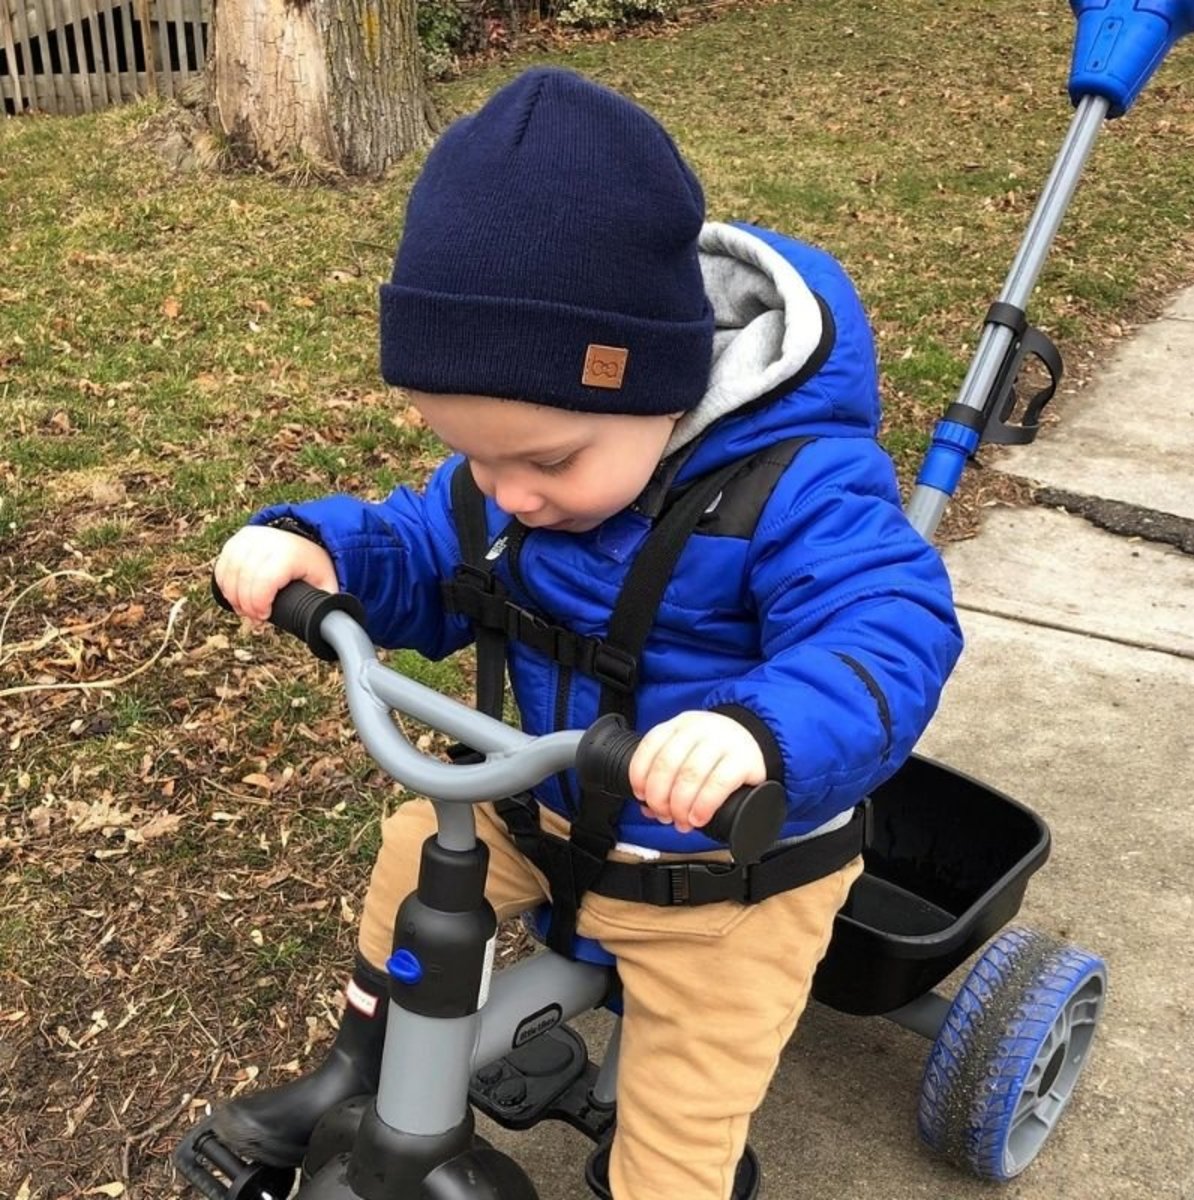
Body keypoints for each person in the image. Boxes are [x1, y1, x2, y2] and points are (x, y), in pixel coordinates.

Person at [211, 66, 962, 1199]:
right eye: (476, 453)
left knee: (675, 1134)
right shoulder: (506, 484)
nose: (507, 492)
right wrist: (313, 551)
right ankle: (354, 1069)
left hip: (718, 877)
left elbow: (890, 627)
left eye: (548, 460)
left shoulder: (798, 490)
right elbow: (420, 547)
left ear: (660, 392)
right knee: (416, 853)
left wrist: (758, 735)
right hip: (540, 810)